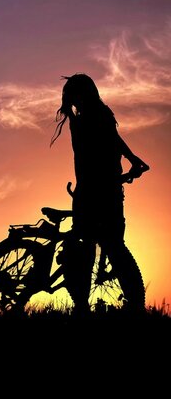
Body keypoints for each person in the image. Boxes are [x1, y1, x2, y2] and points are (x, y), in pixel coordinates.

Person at [52, 73, 149, 313]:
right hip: (103, 190)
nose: (73, 101)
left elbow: (113, 140)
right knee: (110, 245)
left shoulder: (87, 118)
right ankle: (130, 305)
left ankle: (84, 305)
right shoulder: (95, 116)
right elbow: (113, 140)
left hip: (95, 190)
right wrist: (131, 159)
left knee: (92, 247)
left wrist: (131, 158)